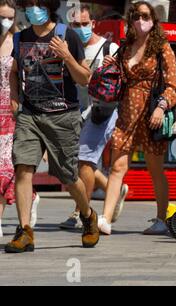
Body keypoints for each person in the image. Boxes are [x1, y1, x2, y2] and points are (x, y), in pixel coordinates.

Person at [5, 0, 99, 253]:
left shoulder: (66, 34)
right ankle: (25, 231)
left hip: (62, 117)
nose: (33, 9)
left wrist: (67, 55)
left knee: (68, 177)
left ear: (49, 6)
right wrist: (15, 96)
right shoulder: (21, 37)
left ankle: (88, 215)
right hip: (30, 115)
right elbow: (13, 71)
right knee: (23, 167)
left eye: (38, 3)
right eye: (28, 4)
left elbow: (84, 78)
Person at [101, 1, 176, 235]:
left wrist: (161, 107)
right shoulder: (125, 47)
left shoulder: (162, 47)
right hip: (127, 112)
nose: (140, 20)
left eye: (145, 16)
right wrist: (110, 67)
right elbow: (119, 79)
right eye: (136, 15)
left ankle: (162, 218)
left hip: (151, 113)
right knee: (117, 166)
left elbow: (173, 85)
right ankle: (105, 218)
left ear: (154, 20)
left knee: (155, 168)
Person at [59, 4, 128, 231]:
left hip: (102, 113)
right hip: (74, 113)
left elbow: (125, 79)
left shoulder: (110, 47)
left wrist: (115, 66)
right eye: (76, 25)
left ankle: (82, 211)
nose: (81, 28)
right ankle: (112, 189)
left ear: (93, 24)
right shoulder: (67, 48)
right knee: (75, 162)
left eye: (84, 24)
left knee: (84, 161)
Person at [0, 0, 41, 238]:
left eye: (8, 17)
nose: (4, 22)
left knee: (4, 168)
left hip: (13, 113)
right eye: (1, 16)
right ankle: (32, 196)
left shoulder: (18, 43)